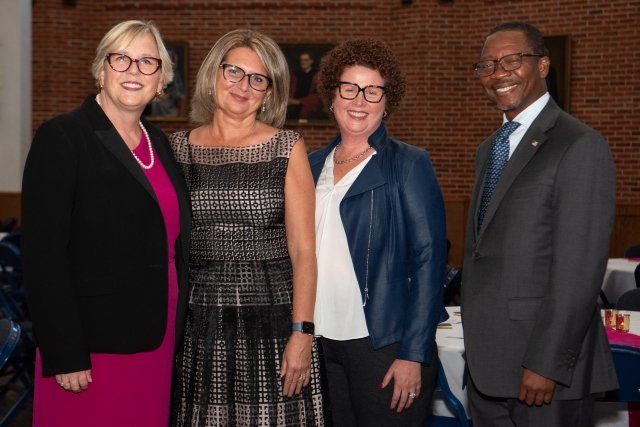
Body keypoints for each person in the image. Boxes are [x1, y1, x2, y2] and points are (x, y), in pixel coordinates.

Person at [21, 20, 190, 427]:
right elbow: (43, 257)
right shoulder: (63, 137)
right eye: (122, 59)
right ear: (102, 69)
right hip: (90, 348)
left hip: (157, 338)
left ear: (162, 80)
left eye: (148, 62)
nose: (134, 71)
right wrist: (64, 351)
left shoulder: (161, 143)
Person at [461, 21, 617, 426]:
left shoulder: (579, 145)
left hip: (543, 374)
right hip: (487, 370)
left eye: (513, 60)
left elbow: (580, 270)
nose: (499, 73)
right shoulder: (489, 149)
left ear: (543, 65)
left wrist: (547, 364)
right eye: (488, 65)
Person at [169, 29, 324, 426]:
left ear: (269, 92)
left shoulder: (286, 147)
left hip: (272, 324)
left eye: (257, 78)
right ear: (213, 75)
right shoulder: (176, 149)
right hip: (197, 327)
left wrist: (302, 333)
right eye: (234, 71)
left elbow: (304, 250)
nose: (243, 85)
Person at [309, 39, 448, 426]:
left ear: (387, 101)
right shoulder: (309, 164)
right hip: (320, 343)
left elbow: (429, 260)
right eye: (349, 88)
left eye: (373, 91)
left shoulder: (408, 164)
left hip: (384, 344)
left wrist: (413, 353)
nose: (359, 100)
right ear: (332, 96)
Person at [287, 52, 323, 120]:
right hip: (292, 106)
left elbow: (317, 95)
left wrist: (299, 102)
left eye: (306, 60)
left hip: (308, 106)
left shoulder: (316, 75)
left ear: (311, 61)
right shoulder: (295, 75)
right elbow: (290, 90)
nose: (303, 62)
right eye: (302, 60)